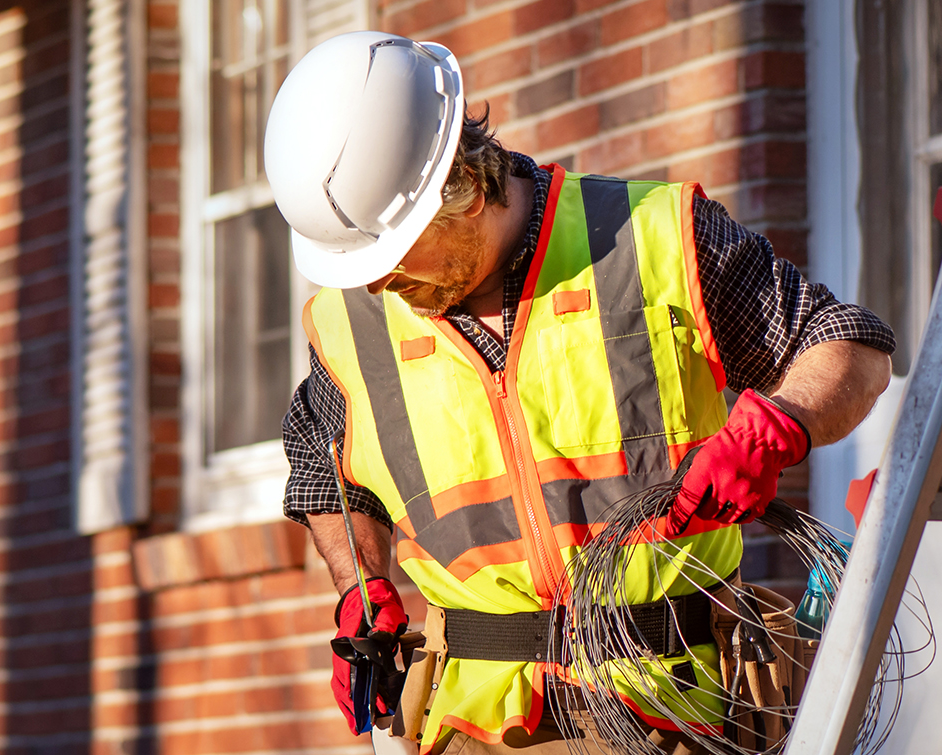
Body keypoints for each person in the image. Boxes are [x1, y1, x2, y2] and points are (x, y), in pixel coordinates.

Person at [263, 31, 895, 755]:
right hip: (479, 723)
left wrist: (777, 427)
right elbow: (322, 464)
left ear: (461, 190)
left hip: (677, 704)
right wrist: (359, 585)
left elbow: (849, 344)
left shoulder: (650, 239)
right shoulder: (354, 323)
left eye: (392, 253)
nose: (375, 282)